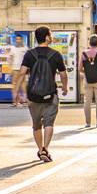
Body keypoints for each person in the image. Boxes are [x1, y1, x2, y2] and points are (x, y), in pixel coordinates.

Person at [13, 26, 68, 163]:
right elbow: (63, 74)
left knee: (36, 124)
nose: (51, 36)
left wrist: (16, 92)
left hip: (33, 95)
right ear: (47, 37)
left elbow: (21, 73)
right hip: (51, 94)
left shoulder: (29, 54)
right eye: (50, 34)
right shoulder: (56, 55)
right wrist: (65, 87)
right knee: (49, 123)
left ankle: (39, 149)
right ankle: (45, 148)